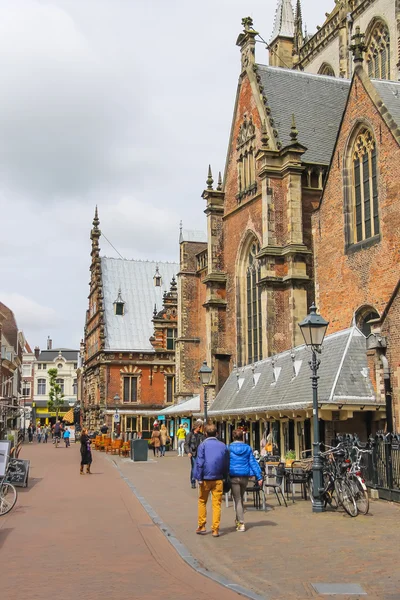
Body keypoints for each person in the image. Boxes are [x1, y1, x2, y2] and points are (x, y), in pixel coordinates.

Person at [193, 423, 229, 538]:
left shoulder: (202, 446)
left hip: (205, 478)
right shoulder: (223, 446)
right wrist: (224, 475)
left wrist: (198, 478)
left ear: (205, 434)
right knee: (216, 504)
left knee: (202, 501)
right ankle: (215, 529)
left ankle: (202, 525)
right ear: (217, 433)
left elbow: (199, 462)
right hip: (218, 478)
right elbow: (226, 463)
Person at [228, 429, 263, 532]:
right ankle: (238, 520)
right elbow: (253, 462)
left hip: (234, 476)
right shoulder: (248, 448)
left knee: (238, 499)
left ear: (233, 437)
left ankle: (241, 523)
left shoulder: (229, 448)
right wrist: (259, 476)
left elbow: (225, 462)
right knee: (240, 499)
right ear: (242, 437)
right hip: (244, 476)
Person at [184, 420, 205, 488]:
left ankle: (200, 480)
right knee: (194, 467)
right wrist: (188, 452)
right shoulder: (190, 434)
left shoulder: (201, 435)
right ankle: (193, 481)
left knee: (201, 467)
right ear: (196, 426)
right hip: (193, 453)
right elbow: (186, 444)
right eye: (199, 427)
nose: (200, 428)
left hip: (200, 453)